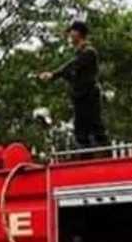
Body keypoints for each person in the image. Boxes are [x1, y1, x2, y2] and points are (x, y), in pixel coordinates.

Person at [39, 20, 107, 148]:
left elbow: (71, 66)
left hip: (90, 95)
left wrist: (53, 75)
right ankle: (86, 159)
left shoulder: (89, 52)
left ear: (78, 33)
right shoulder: (80, 53)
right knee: (81, 131)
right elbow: (70, 72)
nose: (69, 35)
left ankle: (108, 158)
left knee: (96, 127)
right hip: (80, 96)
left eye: (71, 32)